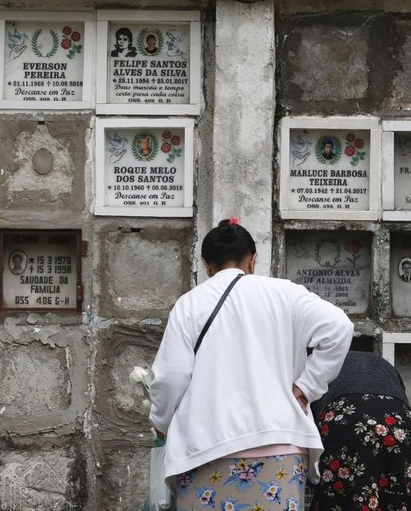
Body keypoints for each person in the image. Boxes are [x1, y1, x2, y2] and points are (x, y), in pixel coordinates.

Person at [150, 218, 353, 510]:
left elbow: (171, 377)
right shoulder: (286, 294)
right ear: (253, 260)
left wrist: (161, 422)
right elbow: (339, 328)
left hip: (205, 450)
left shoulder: (189, 304)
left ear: (207, 265)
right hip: (280, 445)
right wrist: (307, 386)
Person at [309, 351, 411, 511]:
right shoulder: (383, 366)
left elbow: (310, 442)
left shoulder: (320, 365)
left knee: (337, 495)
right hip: (398, 418)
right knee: (396, 496)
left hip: (346, 415)